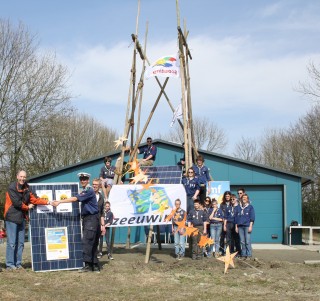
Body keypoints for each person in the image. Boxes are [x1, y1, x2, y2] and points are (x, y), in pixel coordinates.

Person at [53, 172, 105, 272]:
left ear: (88, 180)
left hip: (91, 219)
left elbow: (75, 198)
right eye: (81, 179)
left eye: (85, 179)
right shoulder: (87, 190)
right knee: (91, 242)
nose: (82, 181)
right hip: (89, 219)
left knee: (87, 242)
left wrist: (60, 201)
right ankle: (94, 265)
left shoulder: (88, 190)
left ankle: (88, 266)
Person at [4, 170, 54, 270]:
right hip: (11, 217)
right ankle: (10, 264)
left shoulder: (27, 187)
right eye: (21, 176)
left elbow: (35, 199)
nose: (22, 179)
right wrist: (27, 207)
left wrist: (49, 202)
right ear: (17, 176)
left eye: (24, 177)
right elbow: (17, 203)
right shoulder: (12, 187)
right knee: (12, 242)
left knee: (21, 243)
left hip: (22, 217)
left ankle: (18, 264)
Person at [235, 193, 255, 259]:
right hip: (240, 226)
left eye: (245, 198)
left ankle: (249, 255)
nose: (244, 199)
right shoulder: (238, 207)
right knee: (242, 241)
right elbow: (236, 217)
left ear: (247, 199)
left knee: (247, 241)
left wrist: (250, 226)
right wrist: (236, 226)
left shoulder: (250, 207)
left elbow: (252, 217)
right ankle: (243, 254)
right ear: (241, 199)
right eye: (243, 198)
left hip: (247, 226)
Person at [92, 179, 105, 260]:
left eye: (96, 184)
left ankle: (94, 259)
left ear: (100, 186)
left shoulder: (101, 197)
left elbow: (102, 212)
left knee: (96, 241)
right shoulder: (89, 195)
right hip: (89, 222)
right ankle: (88, 262)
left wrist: (102, 225)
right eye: (93, 184)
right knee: (90, 242)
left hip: (98, 223)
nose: (94, 186)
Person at [219, 191, 232, 255]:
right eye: (226, 196)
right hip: (223, 222)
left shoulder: (232, 204)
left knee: (229, 238)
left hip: (230, 223)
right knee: (222, 237)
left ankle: (228, 251)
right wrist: (224, 221)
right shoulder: (222, 204)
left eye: (228, 196)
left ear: (230, 196)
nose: (227, 197)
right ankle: (221, 250)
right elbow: (221, 214)